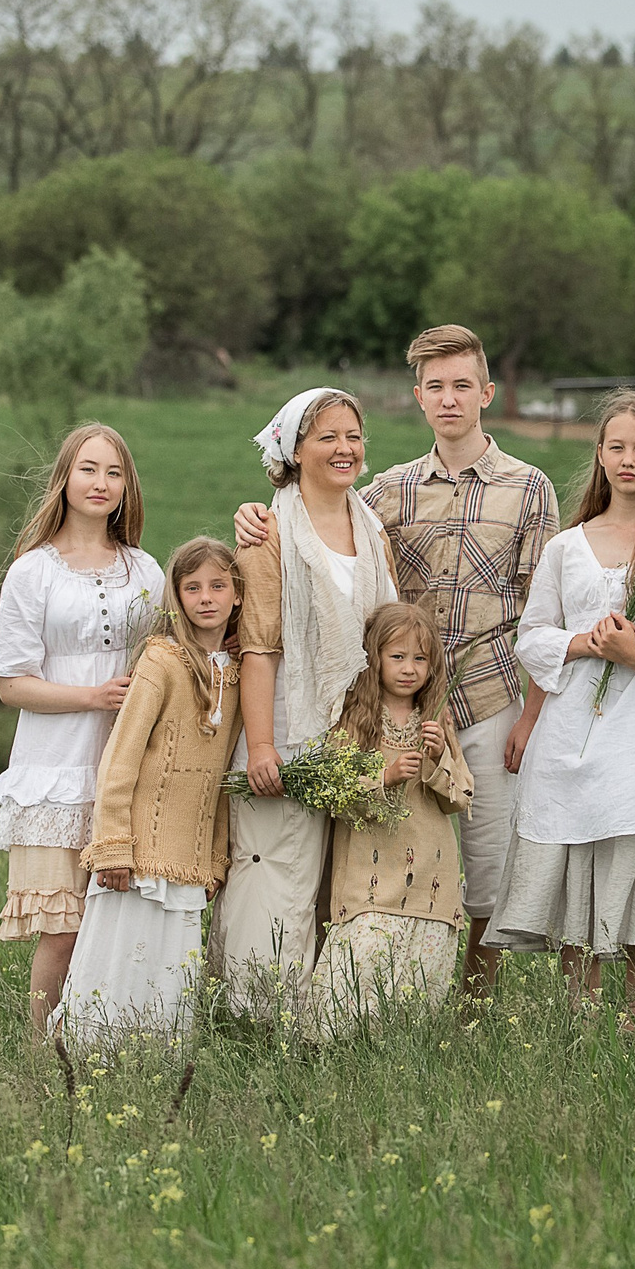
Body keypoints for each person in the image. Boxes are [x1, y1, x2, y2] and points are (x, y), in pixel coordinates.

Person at [236, 324, 558, 996]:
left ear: (486, 393)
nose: (449, 399)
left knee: (488, 864)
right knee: (375, 850)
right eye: (435, 387)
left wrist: (533, 716)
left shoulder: (529, 488)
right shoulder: (387, 492)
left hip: (488, 695)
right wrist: (253, 516)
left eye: (462, 385)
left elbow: (544, 616)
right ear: (418, 397)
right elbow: (321, 521)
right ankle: (351, 985)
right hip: (392, 707)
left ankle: (473, 1000)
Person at [485, 389, 635, 1031]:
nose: (627, 459)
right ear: (599, 455)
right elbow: (533, 637)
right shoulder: (566, 548)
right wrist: (586, 643)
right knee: (576, 870)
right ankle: (580, 1018)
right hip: (570, 736)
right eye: (615, 447)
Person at [217, 387, 396, 1021]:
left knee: (334, 884)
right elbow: (259, 649)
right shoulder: (269, 533)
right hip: (288, 727)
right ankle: (256, 1016)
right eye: (327, 437)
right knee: (277, 871)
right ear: (295, 451)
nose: (344, 448)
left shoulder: (370, 526)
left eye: (352, 435)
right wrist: (262, 745)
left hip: (350, 732)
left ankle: (319, 1017)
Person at [0, 423, 168, 1037]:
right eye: (89, 469)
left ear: (126, 487)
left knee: (117, 922)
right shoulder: (33, 572)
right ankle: (42, 1050)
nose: (101, 483)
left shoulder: (144, 569)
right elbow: (11, 683)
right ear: (65, 477)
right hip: (55, 771)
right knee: (63, 930)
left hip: (126, 767)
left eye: (114, 473)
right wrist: (92, 695)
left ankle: (106, 1038)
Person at [62, 537, 244, 1050]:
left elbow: (221, 783)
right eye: (192, 587)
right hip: (137, 858)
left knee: (167, 975)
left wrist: (213, 860)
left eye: (217, 585)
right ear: (177, 597)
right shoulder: (160, 662)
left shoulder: (236, 674)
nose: (206, 597)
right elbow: (120, 758)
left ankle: (155, 1064)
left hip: (186, 863)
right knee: (117, 963)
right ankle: (88, 1054)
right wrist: (114, 844)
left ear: (237, 595)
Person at [300, 604, 474, 1037]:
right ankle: (336, 1056)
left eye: (420, 658)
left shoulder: (436, 722)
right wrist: (385, 776)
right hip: (369, 882)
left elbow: (462, 796)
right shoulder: (354, 721)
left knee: (412, 1008)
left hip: (429, 883)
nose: (409, 669)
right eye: (397, 657)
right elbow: (335, 795)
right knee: (351, 994)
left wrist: (437, 761)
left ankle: (400, 1063)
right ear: (373, 658)